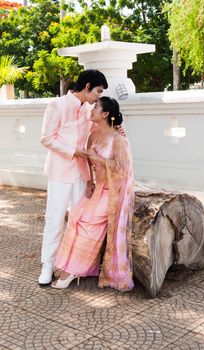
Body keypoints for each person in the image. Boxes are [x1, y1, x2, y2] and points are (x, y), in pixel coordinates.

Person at [51, 97, 134, 292]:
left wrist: (99, 159)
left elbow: (122, 170)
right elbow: (88, 162)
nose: (92, 109)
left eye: (96, 107)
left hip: (113, 192)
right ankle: (73, 267)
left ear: (105, 114)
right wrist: (89, 181)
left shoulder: (119, 139)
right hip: (98, 188)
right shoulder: (93, 136)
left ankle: (72, 271)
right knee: (75, 217)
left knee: (89, 224)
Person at [39, 70, 108, 286]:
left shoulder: (90, 110)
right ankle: (48, 265)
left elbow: (100, 132)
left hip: (82, 173)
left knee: (79, 221)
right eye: (98, 91)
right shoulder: (57, 105)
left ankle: (72, 265)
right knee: (55, 219)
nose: (99, 96)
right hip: (60, 171)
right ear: (87, 86)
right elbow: (46, 139)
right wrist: (74, 152)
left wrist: (118, 128)